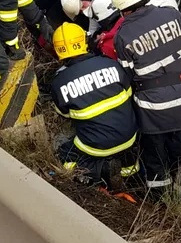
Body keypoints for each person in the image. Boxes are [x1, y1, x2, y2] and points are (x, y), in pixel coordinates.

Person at [112, 0, 181, 197]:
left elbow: (127, 75)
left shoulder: (122, 36)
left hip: (151, 106)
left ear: (122, 8)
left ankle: (160, 198)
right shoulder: (171, 14)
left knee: (155, 155)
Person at [50, 22, 139, 187]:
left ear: (58, 50)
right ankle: (131, 177)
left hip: (96, 147)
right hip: (130, 137)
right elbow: (129, 94)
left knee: (64, 156)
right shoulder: (111, 64)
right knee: (125, 153)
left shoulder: (59, 83)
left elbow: (66, 115)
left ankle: (102, 170)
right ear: (84, 42)